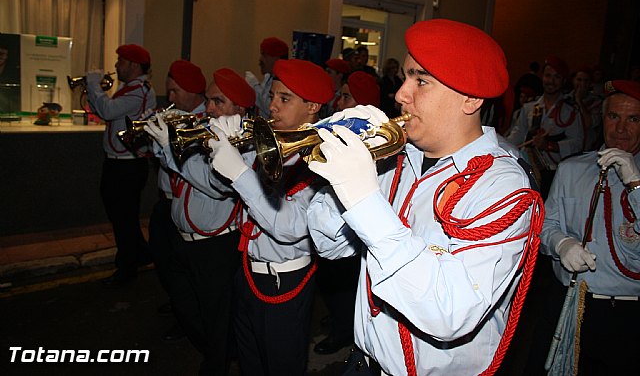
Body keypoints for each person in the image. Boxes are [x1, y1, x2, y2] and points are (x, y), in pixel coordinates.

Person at [307, 19, 543, 375]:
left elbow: (449, 313)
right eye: (404, 78)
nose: (401, 94)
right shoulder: (397, 158)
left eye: (421, 81)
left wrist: (365, 201)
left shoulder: (503, 186)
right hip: (362, 363)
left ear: (471, 98)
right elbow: (328, 243)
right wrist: (342, 164)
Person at [206, 59, 334, 375]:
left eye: (284, 99)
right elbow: (219, 188)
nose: (271, 106)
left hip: (285, 280)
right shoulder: (268, 139)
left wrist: (238, 171)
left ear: (313, 106)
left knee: (281, 367)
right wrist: (221, 149)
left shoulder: (323, 157)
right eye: (273, 96)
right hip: (248, 269)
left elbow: (290, 227)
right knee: (250, 363)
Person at [145, 65, 255, 375]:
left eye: (217, 102)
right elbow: (177, 173)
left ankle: (217, 363)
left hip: (216, 244)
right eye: (208, 100)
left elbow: (216, 185)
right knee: (184, 304)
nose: (208, 108)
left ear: (239, 108)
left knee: (215, 315)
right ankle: (218, 351)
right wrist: (161, 139)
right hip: (184, 236)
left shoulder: (242, 140)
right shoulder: (206, 129)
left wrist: (171, 150)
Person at [526, 80, 640, 375]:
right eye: (614, 117)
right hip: (572, 304)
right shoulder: (572, 169)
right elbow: (546, 226)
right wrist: (561, 244)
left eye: (633, 119)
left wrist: (636, 184)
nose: (622, 128)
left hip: (629, 315)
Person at [313, 69, 381, 356]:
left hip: (354, 228)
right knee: (332, 282)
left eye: (346, 96)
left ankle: (342, 332)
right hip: (334, 227)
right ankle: (340, 320)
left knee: (345, 286)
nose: (339, 101)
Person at [86, 44, 156, 287]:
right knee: (122, 216)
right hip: (119, 163)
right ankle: (141, 254)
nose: (116, 66)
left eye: (121, 61)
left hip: (127, 165)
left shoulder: (139, 91)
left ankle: (126, 269)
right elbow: (100, 109)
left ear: (134, 65)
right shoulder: (130, 89)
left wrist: (94, 85)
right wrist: (91, 91)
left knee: (123, 218)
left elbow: (107, 110)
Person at [507, 55, 584, 199]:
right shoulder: (530, 107)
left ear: (563, 81)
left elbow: (577, 143)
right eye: (548, 76)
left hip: (556, 173)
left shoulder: (570, 111)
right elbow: (517, 135)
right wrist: (501, 145)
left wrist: (549, 145)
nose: (551, 81)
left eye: (557, 77)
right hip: (529, 170)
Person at [245, 36, 289, 117]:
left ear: (276, 58)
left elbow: (268, 107)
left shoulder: (284, 82)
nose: (261, 59)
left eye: (264, 55)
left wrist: (254, 86)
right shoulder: (268, 77)